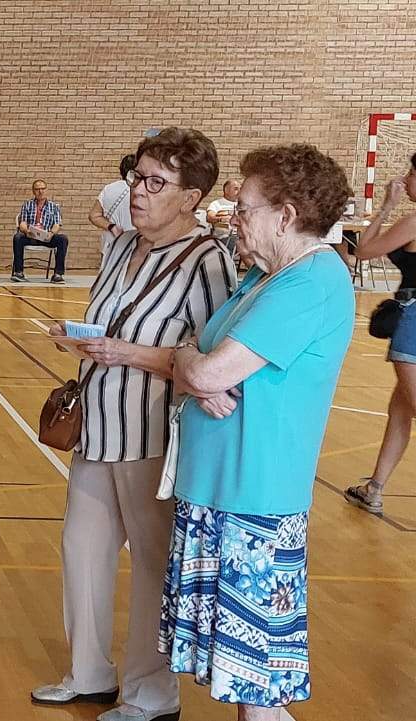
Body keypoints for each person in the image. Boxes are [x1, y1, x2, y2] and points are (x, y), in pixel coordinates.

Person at [32, 128, 234, 721]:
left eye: (154, 182)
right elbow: (112, 326)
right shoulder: (122, 247)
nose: (137, 191)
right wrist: (84, 343)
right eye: (135, 177)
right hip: (96, 428)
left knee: (151, 563)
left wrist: (131, 355)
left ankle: (151, 694)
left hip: (155, 438)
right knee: (83, 549)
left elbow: (213, 362)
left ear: (191, 197)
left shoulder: (209, 263)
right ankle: (89, 672)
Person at [165, 143, 354, 721]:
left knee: (257, 688)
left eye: (243, 208)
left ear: (287, 216)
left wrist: (192, 365)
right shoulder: (263, 278)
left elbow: (206, 368)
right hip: (220, 491)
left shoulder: (311, 282)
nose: (233, 218)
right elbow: (192, 358)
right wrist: (188, 360)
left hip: (255, 500)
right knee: (244, 681)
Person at [346, 153, 416, 515]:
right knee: (400, 410)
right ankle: (373, 488)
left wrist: (387, 205)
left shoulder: (414, 221)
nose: (406, 178)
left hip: (414, 320)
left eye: (411, 173)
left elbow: (364, 251)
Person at [13, 179, 70, 283]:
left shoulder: (54, 206)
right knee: (18, 237)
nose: (40, 191)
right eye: (37, 189)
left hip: (46, 237)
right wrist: (26, 231)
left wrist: (51, 233)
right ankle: (19, 273)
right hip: (31, 235)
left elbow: (57, 224)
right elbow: (23, 223)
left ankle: (58, 274)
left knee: (63, 239)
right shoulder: (27, 204)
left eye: (43, 189)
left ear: (46, 190)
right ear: (33, 191)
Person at [91, 154, 137, 256]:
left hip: (110, 246)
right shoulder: (143, 191)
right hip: (135, 245)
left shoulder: (108, 189)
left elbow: (94, 216)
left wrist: (111, 226)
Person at [205, 179, 241, 248]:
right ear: (226, 190)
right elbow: (209, 217)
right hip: (224, 236)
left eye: (240, 189)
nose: (239, 191)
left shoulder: (243, 205)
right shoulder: (217, 204)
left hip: (241, 236)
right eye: (236, 189)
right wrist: (222, 219)